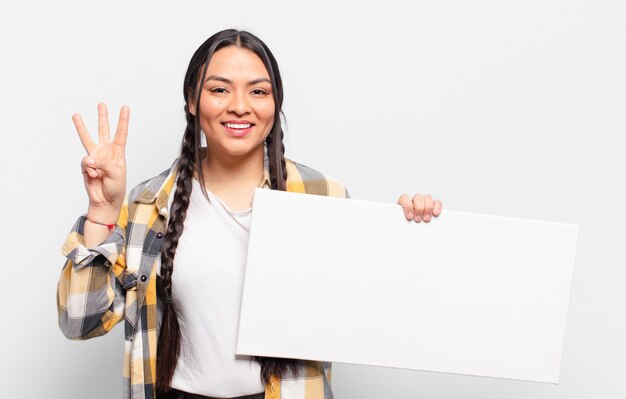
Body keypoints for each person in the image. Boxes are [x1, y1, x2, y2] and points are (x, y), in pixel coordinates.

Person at [56, 29, 443, 399]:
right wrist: (102, 212)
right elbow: (81, 322)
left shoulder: (324, 197)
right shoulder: (148, 203)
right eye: (220, 89)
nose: (240, 105)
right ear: (192, 100)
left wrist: (406, 234)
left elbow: (374, 314)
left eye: (258, 91)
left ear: (275, 104)